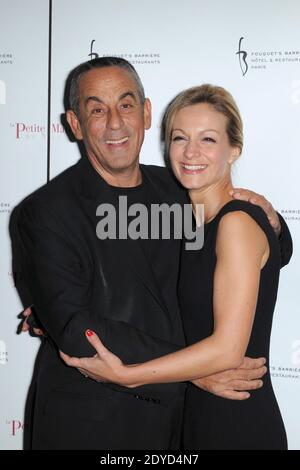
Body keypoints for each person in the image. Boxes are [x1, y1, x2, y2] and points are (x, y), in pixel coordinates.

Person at [11, 58, 292, 450]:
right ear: (75, 124)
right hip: (94, 425)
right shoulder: (46, 211)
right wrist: (196, 369)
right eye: (96, 109)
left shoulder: (181, 190)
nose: (114, 122)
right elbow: (76, 331)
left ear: (145, 114)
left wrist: (274, 223)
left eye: (126, 105)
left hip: (179, 427)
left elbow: (254, 250)